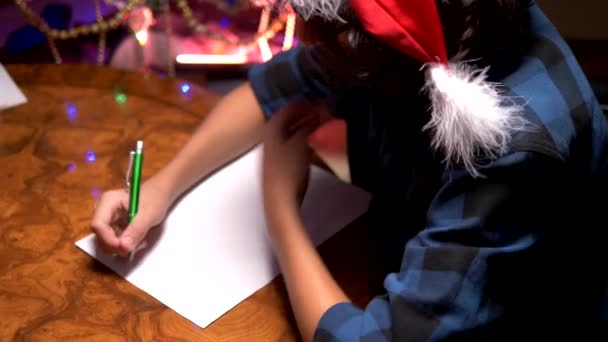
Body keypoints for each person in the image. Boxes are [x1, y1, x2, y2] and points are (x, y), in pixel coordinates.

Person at [91, 0, 608, 340]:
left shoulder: (514, 149)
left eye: (331, 45)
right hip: (396, 252)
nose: (319, 54)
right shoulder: (424, 26)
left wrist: (279, 212)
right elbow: (270, 90)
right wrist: (162, 187)